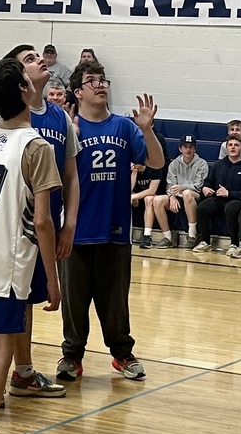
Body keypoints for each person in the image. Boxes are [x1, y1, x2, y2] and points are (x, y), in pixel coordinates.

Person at [0, 57, 63, 434]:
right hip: (7, 256)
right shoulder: (36, 146)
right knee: (0, 353)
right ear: (23, 90)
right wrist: (52, 278)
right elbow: (42, 220)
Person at [0, 45, 80, 400]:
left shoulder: (59, 117)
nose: (39, 61)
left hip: (39, 228)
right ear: (18, 81)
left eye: (40, 56)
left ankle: (20, 373)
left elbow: (71, 175)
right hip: (11, 231)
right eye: (28, 59)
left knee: (25, 299)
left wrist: (68, 224)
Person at [56, 60, 163, 382]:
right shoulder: (68, 128)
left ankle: (121, 353)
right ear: (78, 92)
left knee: (115, 301)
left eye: (103, 80)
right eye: (92, 81)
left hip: (114, 231)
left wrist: (146, 129)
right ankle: (72, 357)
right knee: (74, 302)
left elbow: (156, 162)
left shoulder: (124, 126)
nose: (100, 85)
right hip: (75, 230)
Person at [196, 136, 241, 258]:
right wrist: (205, 188)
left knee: (231, 208)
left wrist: (229, 193)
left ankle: (234, 243)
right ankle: (205, 241)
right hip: (219, 199)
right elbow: (208, 182)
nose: (233, 147)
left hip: (237, 200)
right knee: (202, 207)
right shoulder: (219, 165)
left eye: (236, 145)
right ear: (226, 148)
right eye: (230, 145)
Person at [153, 134, 208, 249]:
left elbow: (199, 185)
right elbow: (170, 185)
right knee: (157, 200)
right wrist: (172, 197)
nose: (188, 149)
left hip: (194, 196)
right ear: (180, 148)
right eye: (185, 146)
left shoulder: (202, 163)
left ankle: (192, 235)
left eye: (191, 147)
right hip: (177, 196)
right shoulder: (174, 164)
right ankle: (167, 237)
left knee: (187, 194)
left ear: (195, 149)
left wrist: (182, 187)